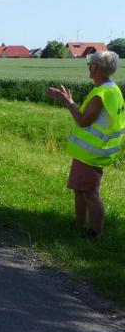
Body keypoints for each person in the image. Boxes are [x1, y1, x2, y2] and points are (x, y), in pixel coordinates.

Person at [47, 50, 124, 239]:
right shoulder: (110, 89)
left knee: (90, 193)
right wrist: (70, 102)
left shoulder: (101, 94)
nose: (88, 67)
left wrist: (68, 103)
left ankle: (95, 233)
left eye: (89, 64)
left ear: (96, 67)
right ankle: (78, 225)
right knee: (79, 189)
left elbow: (83, 121)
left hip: (92, 153)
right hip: (89, 151)